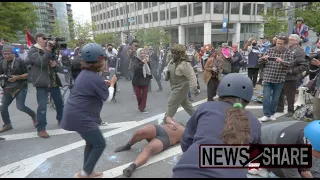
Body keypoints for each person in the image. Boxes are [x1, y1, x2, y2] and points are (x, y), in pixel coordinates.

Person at [172, 73, 261, 178]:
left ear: (220, 93)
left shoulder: (206, 108)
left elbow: (186, 141)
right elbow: (256, 157)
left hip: (185, 171)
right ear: (247, 99)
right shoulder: (254, 122)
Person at [60, 43, 117, 178]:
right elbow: (108, 98)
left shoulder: (85, 74)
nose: (104, 62)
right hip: (82, 117)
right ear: (99, 61)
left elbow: (90, 87)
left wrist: (103, 84)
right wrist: (112, 84)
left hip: (74, 114)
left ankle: (88, 171)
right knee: (99, 144)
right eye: (103, 59)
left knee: (91, 143)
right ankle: (84, 173)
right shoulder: (95, 78)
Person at [25, 33, 65, 138]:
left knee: (59, 103)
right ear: (37, 39)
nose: (45, 40)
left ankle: (61, 120)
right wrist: (47, 49)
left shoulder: (50, 50)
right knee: (42, 106)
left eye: (46, 38)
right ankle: (41, 128)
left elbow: (57, 65)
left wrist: (55, 65)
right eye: (43, 38)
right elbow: (40, 62)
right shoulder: (33, 50)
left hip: (53, 80)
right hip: (41, 82)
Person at [249, 120, 320, 178]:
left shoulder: (312, 130)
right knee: (283, 172)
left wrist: (304, 169)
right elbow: (293, 175)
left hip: (282, 140)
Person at [114, 121, 185, 177]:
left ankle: (132, 167)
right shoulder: (175, 122)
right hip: (159, 129)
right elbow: (168, 117)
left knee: (149, 148)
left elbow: (188, 142)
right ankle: (128, 145)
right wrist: (171, 121)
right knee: (140, 131)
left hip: (166, 139)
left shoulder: (185, 131)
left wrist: (184, 153)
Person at [0, 45, 37, 133]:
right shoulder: (2, 63)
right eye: (4, 54)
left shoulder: (20, 61)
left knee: (20, 107)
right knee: (3, 107)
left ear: (13, 54)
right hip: (8, 87)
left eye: (8, 54)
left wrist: (17, 77)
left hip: (20, 87)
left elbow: (28, 75)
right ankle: (7, 124)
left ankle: (34, 116)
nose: (6, 56)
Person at [258, 35, 294, 122]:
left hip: (279, 78)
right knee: (266, 97)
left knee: (275, 98)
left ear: (284, 44)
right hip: (268, 77)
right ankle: (266, 114)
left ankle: (272, 113)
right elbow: (260, 62)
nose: (279, 45)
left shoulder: (288, 52)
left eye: (281, 44)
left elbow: (290, 64)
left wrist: (281, 61)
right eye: (277, 43)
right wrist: (263, 58)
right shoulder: (270, 50)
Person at [162, 44, 198, 124]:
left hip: (181, 87)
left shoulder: (185, 64)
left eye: (176, 53)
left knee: (171, 103)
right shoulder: (172, 61)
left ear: (181, 54)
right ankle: (198, 118)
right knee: (186, 104)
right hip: (174, 86)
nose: (173, 54)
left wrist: (195, 89)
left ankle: (166, 121)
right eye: (172, 52)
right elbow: (167, 70)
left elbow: (192, 77)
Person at [277, 34, 308, 117]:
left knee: (290, 94)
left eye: (291, 39)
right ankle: (279, 107)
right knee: (279, 92)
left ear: (297, 41)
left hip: (291, 76)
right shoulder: (286, 49)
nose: (289, 41)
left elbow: (304, 66)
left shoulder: (299, 51)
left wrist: (292, 71)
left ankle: (291, 110)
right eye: (289, 39)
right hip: (281, 74)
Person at [132, 48, 152, 114]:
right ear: (138, 54)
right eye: (141, 53)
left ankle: (142, 108)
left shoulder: (147, 60)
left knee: (144, 95)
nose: (143, 54)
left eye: (144, 53)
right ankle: (140, 105)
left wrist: (147, 62)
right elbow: (136, 69)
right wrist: (142, 62)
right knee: (138, 95)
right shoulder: (135, 60)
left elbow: (149, 70)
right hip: (137, 81)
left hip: (145, 79)